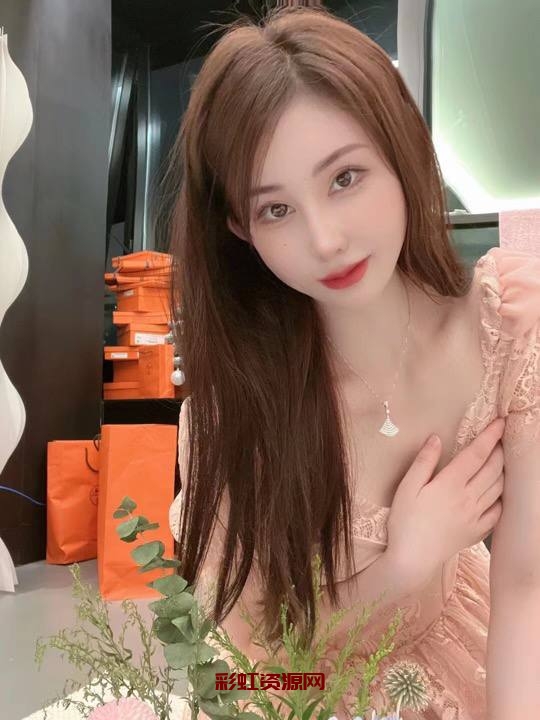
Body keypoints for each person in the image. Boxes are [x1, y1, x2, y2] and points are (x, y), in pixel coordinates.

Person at [165, 3, 540, 718]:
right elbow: (241, 673)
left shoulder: (509, 331)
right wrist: (402, 566)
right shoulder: (232, 414)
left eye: (344, 178)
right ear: (240, 228)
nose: (326, 239)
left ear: (399, 150)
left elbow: (528, 586)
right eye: (276, 210)